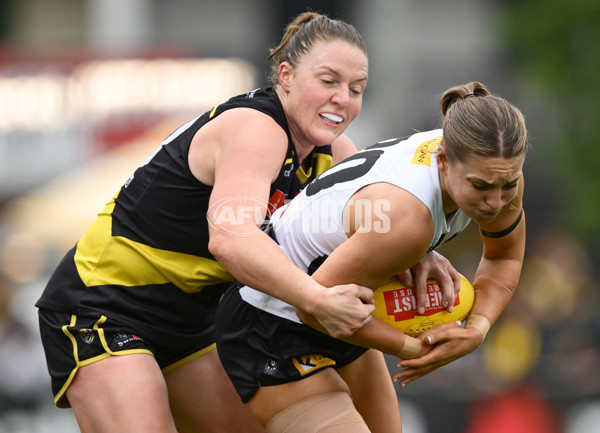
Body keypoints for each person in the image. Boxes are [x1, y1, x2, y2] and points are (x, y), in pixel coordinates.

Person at [35, 12, 458, 433]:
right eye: (328, 82)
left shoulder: (336, 151)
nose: (342, 99)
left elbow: (378, 222)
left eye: (356, 89)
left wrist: (419, 253)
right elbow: (232, 240)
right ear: (286, 76)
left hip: (194, 321)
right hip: (105, 309)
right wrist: (317, 300)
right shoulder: (256, 128)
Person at [215, 81, 528, 433]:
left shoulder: (488, 165)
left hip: (347, 315)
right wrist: (416, 348)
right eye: (480, 187)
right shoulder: (407, 219)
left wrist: (477, 330)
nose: (496, 202)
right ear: (442, 161)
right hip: (270, 321)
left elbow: (504, 259)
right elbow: (314, 308)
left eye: (509, 184)